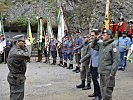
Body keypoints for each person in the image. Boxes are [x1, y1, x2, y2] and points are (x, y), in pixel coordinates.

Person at [91, 30, 119, 100]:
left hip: (108, 73)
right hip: (102, 72)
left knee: (107, 93)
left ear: (109, 36)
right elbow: (93, 46)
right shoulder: (101, 45)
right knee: (103, 91)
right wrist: (96, 38)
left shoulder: (113, 45)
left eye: (104, 35)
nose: (102, 36)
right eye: (102, 35)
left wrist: (112, 72)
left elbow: (116, 60)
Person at [7, 34, 30, 100]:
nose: (24, 43)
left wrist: (24, 47)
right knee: (16, 97)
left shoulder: (17, 50)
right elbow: (27, 55)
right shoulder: (15, 52)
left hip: (17, 77)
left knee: (17, 96)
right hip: (16, 78)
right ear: (17, 42)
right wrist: (28, 45)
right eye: (23, 41)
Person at [88, 29, 102, 100]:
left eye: (93, 35)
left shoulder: (100, 43)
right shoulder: (92, 43)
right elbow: (91, 54)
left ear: (97, 35)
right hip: (92, 63)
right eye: (91, 35)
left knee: (95, 79)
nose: (91, 37)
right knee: (93, 79)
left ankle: (99, 95)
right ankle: (95, 92)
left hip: (97, 64)